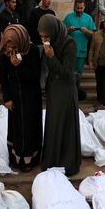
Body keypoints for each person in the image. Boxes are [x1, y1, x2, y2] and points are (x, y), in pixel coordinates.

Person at [38, 14, 82, 176]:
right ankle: (52, 160)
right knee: (53, 124)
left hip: (66, 91)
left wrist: (51, 56)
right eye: (41, 37)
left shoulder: (69, 43)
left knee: (64, 126)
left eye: (46, 36)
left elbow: (67, 73)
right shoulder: (52, 42)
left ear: (54, 31)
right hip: (55, 90)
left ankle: (65, 162)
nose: (44, 40)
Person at [0, 25, 43, 171]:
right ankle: (17, 160)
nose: (12, 49)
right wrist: (6, 99)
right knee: (16, 128)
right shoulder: (5, 53)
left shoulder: (33, 50)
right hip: (14, 98)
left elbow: (35, 76)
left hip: (31, 97)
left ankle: (30, 160)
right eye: (8, 45)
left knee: (30, 127)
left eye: (14, 45)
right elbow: (4, 78)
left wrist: (19, 66)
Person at [64, 0, 96, 101]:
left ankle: (75, 92)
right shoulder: (68, 17)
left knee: (78, 74)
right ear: (75, 6)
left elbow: (94, 35)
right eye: (78, 8)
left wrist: (87, 31)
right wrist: (68, 30)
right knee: (69, 72)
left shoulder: (89, 18)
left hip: (81, 52)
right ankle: (67, 92)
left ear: (84, 7)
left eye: (81, 8)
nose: (80, 10)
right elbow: (61, 32)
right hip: (69, 52)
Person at [26, 0, 55, 90]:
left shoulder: (52, 13)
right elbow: (30, 28)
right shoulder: (35, 12)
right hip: (37, 43)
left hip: (47, 44)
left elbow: (54, 29)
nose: (49, 1)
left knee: (45, 67)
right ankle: (35, 87)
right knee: (35, 66)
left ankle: (42, 87)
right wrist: (41, 30)